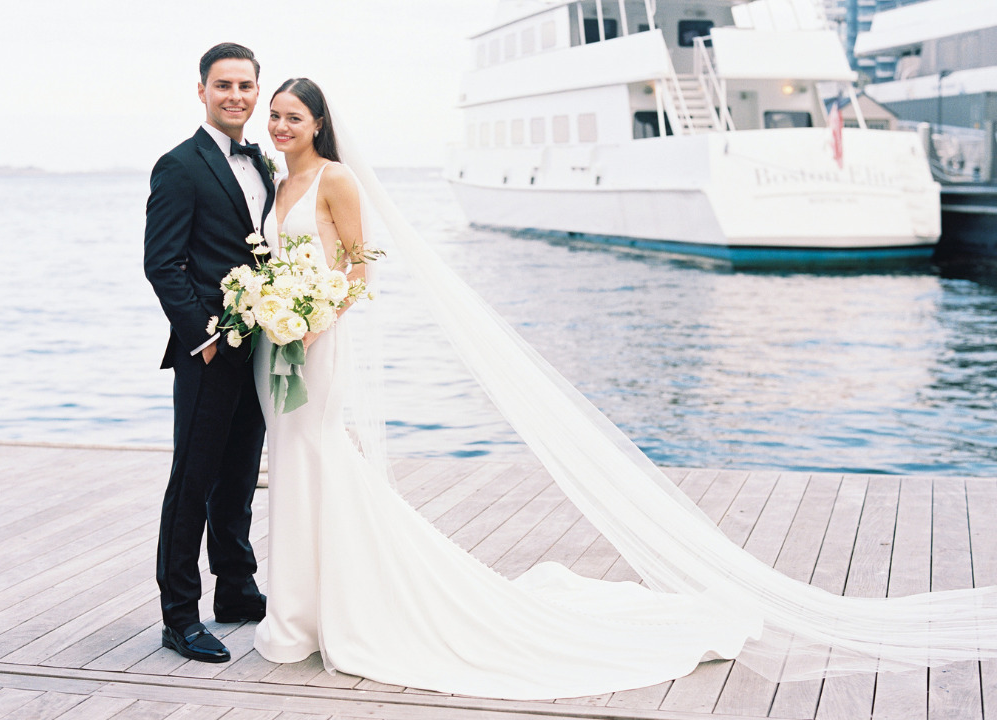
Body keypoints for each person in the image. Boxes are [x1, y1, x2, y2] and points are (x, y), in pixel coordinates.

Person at [244, 76, 997, 700]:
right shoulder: (282, 181)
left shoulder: (336, 179)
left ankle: (342, 612)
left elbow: (364, 275)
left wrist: (315, 319)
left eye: (292, 116)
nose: (280, 125)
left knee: (324, 465)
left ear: (319, 123)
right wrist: (276, 308)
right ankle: (301, 614)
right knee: (306, 468)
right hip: (283, 348)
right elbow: (302, 265)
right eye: (273, 116)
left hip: (319, 347)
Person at [143, 43, 274, 664]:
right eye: (223, 86)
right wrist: (206, 336)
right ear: (201, 91)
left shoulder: (262, 165)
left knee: (241, 474)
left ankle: (237, 589)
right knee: (191, 481)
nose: (236, 97)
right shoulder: (179, 165)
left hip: (262, 345)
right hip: (209, 352)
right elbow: (162, 264)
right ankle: (179, 615)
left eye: (245, 86)